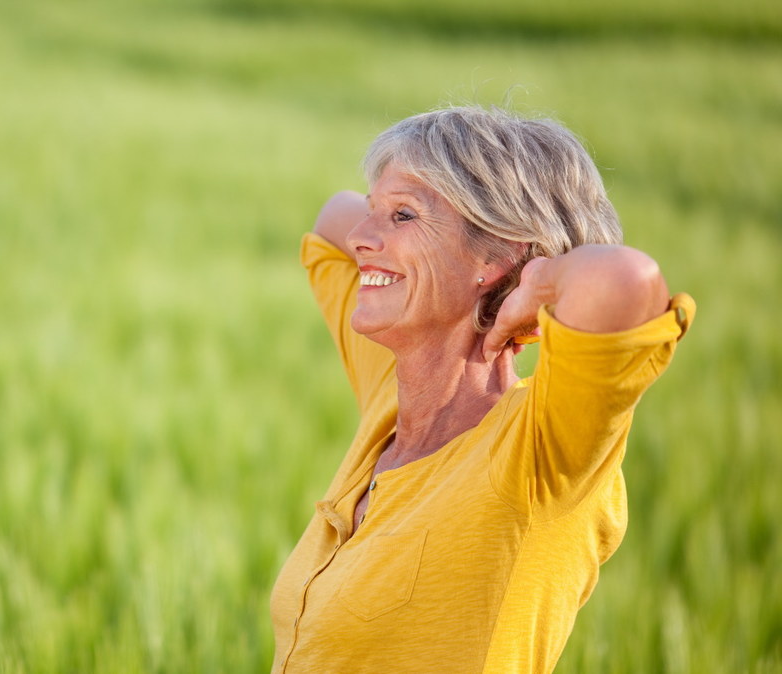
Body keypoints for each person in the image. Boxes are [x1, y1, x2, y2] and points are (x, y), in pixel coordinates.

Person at [269, 105, 695, 673]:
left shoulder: (539, 453)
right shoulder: (392, 398)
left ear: (497, 256)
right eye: (376, 213)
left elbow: (626, 281)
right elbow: (332, 222)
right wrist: (394, 212)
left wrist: (536, 277)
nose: (361, 238)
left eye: (403, 216)